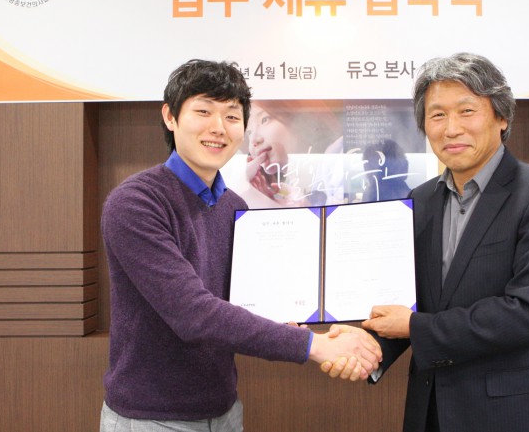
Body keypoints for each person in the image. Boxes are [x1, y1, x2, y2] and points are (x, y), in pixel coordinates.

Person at [99, 59, 381, 432]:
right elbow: (193, 314)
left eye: (232, 116)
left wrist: (296, 321)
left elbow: (245, 302)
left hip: (225, 410)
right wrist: (315, 346)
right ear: (170, 116)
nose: (219, 127)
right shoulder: (136, 202)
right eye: (203, 111)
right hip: (151, 418)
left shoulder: (235, 206)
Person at [324, 52, 529, 432]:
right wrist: (367, 345)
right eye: (437, 115)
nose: (451, 129)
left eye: (466, 111)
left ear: (502, 117)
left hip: (509, 414)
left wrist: (414, 327)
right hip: (431, 412)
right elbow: (415, 304)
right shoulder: (421, 200)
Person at [243, 100, 344, 207]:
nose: (253, 140)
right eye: (249, 131)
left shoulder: (338, 157)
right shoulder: (290, 186)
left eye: (265, 120)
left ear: (302, 119)